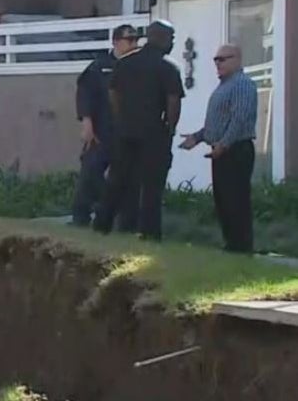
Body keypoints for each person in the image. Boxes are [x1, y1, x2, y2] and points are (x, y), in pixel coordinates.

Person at [93, 20, 184, 241]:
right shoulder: (167, 68)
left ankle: (102, 225)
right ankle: (149, 232)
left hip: (125, 131)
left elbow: (113, 93)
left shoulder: (124, 63)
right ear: (161, 38)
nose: (172, 43)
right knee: (152, 185)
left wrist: (120, 118)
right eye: (171, 38)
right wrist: (170, 127)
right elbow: (173, 101)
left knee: (117, 179)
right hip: (153, 132)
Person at [179, 45, 258, 254]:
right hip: (221, 151)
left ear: (237, 59)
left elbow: (239, 119)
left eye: (222, 59)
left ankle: (241, 247)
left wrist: (223, 144)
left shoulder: (242, 84)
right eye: (216, 59)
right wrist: (197, 137)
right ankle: (231, 244)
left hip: (236, 150)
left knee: (235, 199)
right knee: (223, 200)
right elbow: (218, 122)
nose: (217, 63)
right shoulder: (224, 86)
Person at [71, 24, 141, 230]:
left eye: (136, 40)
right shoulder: (100, 66)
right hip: (101, 130)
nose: (134, 45)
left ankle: (121, 220)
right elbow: (85, 94)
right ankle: (81, 216)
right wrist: (87, 123)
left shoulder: (137, 67)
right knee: (90, 171)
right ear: (116, 42)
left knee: (125, 178)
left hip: (126, 132)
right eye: (129, 40)